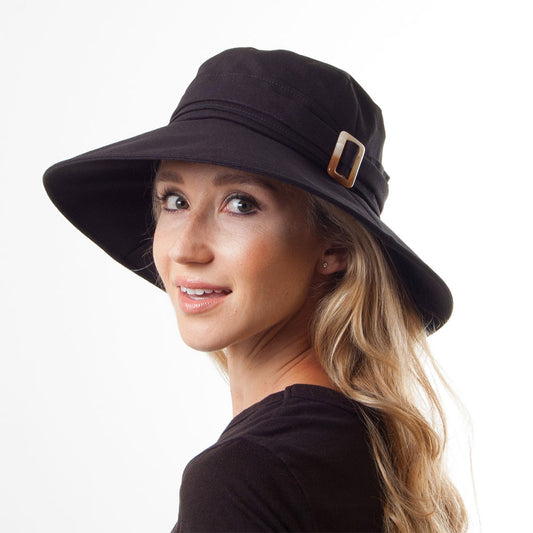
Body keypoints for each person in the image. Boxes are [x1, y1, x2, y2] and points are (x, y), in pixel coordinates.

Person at [43, 47, 468, 533]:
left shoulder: (246, 473)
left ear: (336, 247)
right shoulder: (364, 441)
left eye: (241, 204)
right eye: (175, 200)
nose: (185, 248)